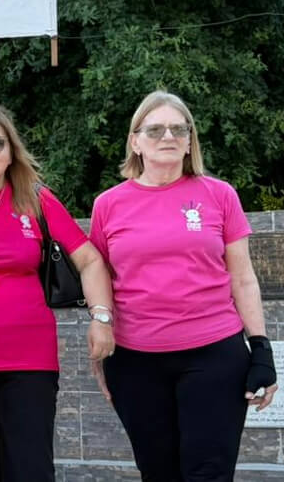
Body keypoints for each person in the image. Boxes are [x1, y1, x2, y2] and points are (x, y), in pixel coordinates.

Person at [90, 90, 277, 480]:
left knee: (208, 472)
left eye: (179, 129)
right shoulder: (108, 205)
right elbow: (99, 277)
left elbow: (243, 277)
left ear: (190, 140)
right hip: (135, 361)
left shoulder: (219, 194)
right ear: (135, 141)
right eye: (155, 129)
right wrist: (100, 336)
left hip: (215, 357)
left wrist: (261, 348)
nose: (168, 137)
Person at [0, 103, 116, 481]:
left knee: (30, 469)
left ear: (11, 151)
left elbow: (91, 260)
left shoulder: (35, 199)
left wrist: (101, 318)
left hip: (30, 361)